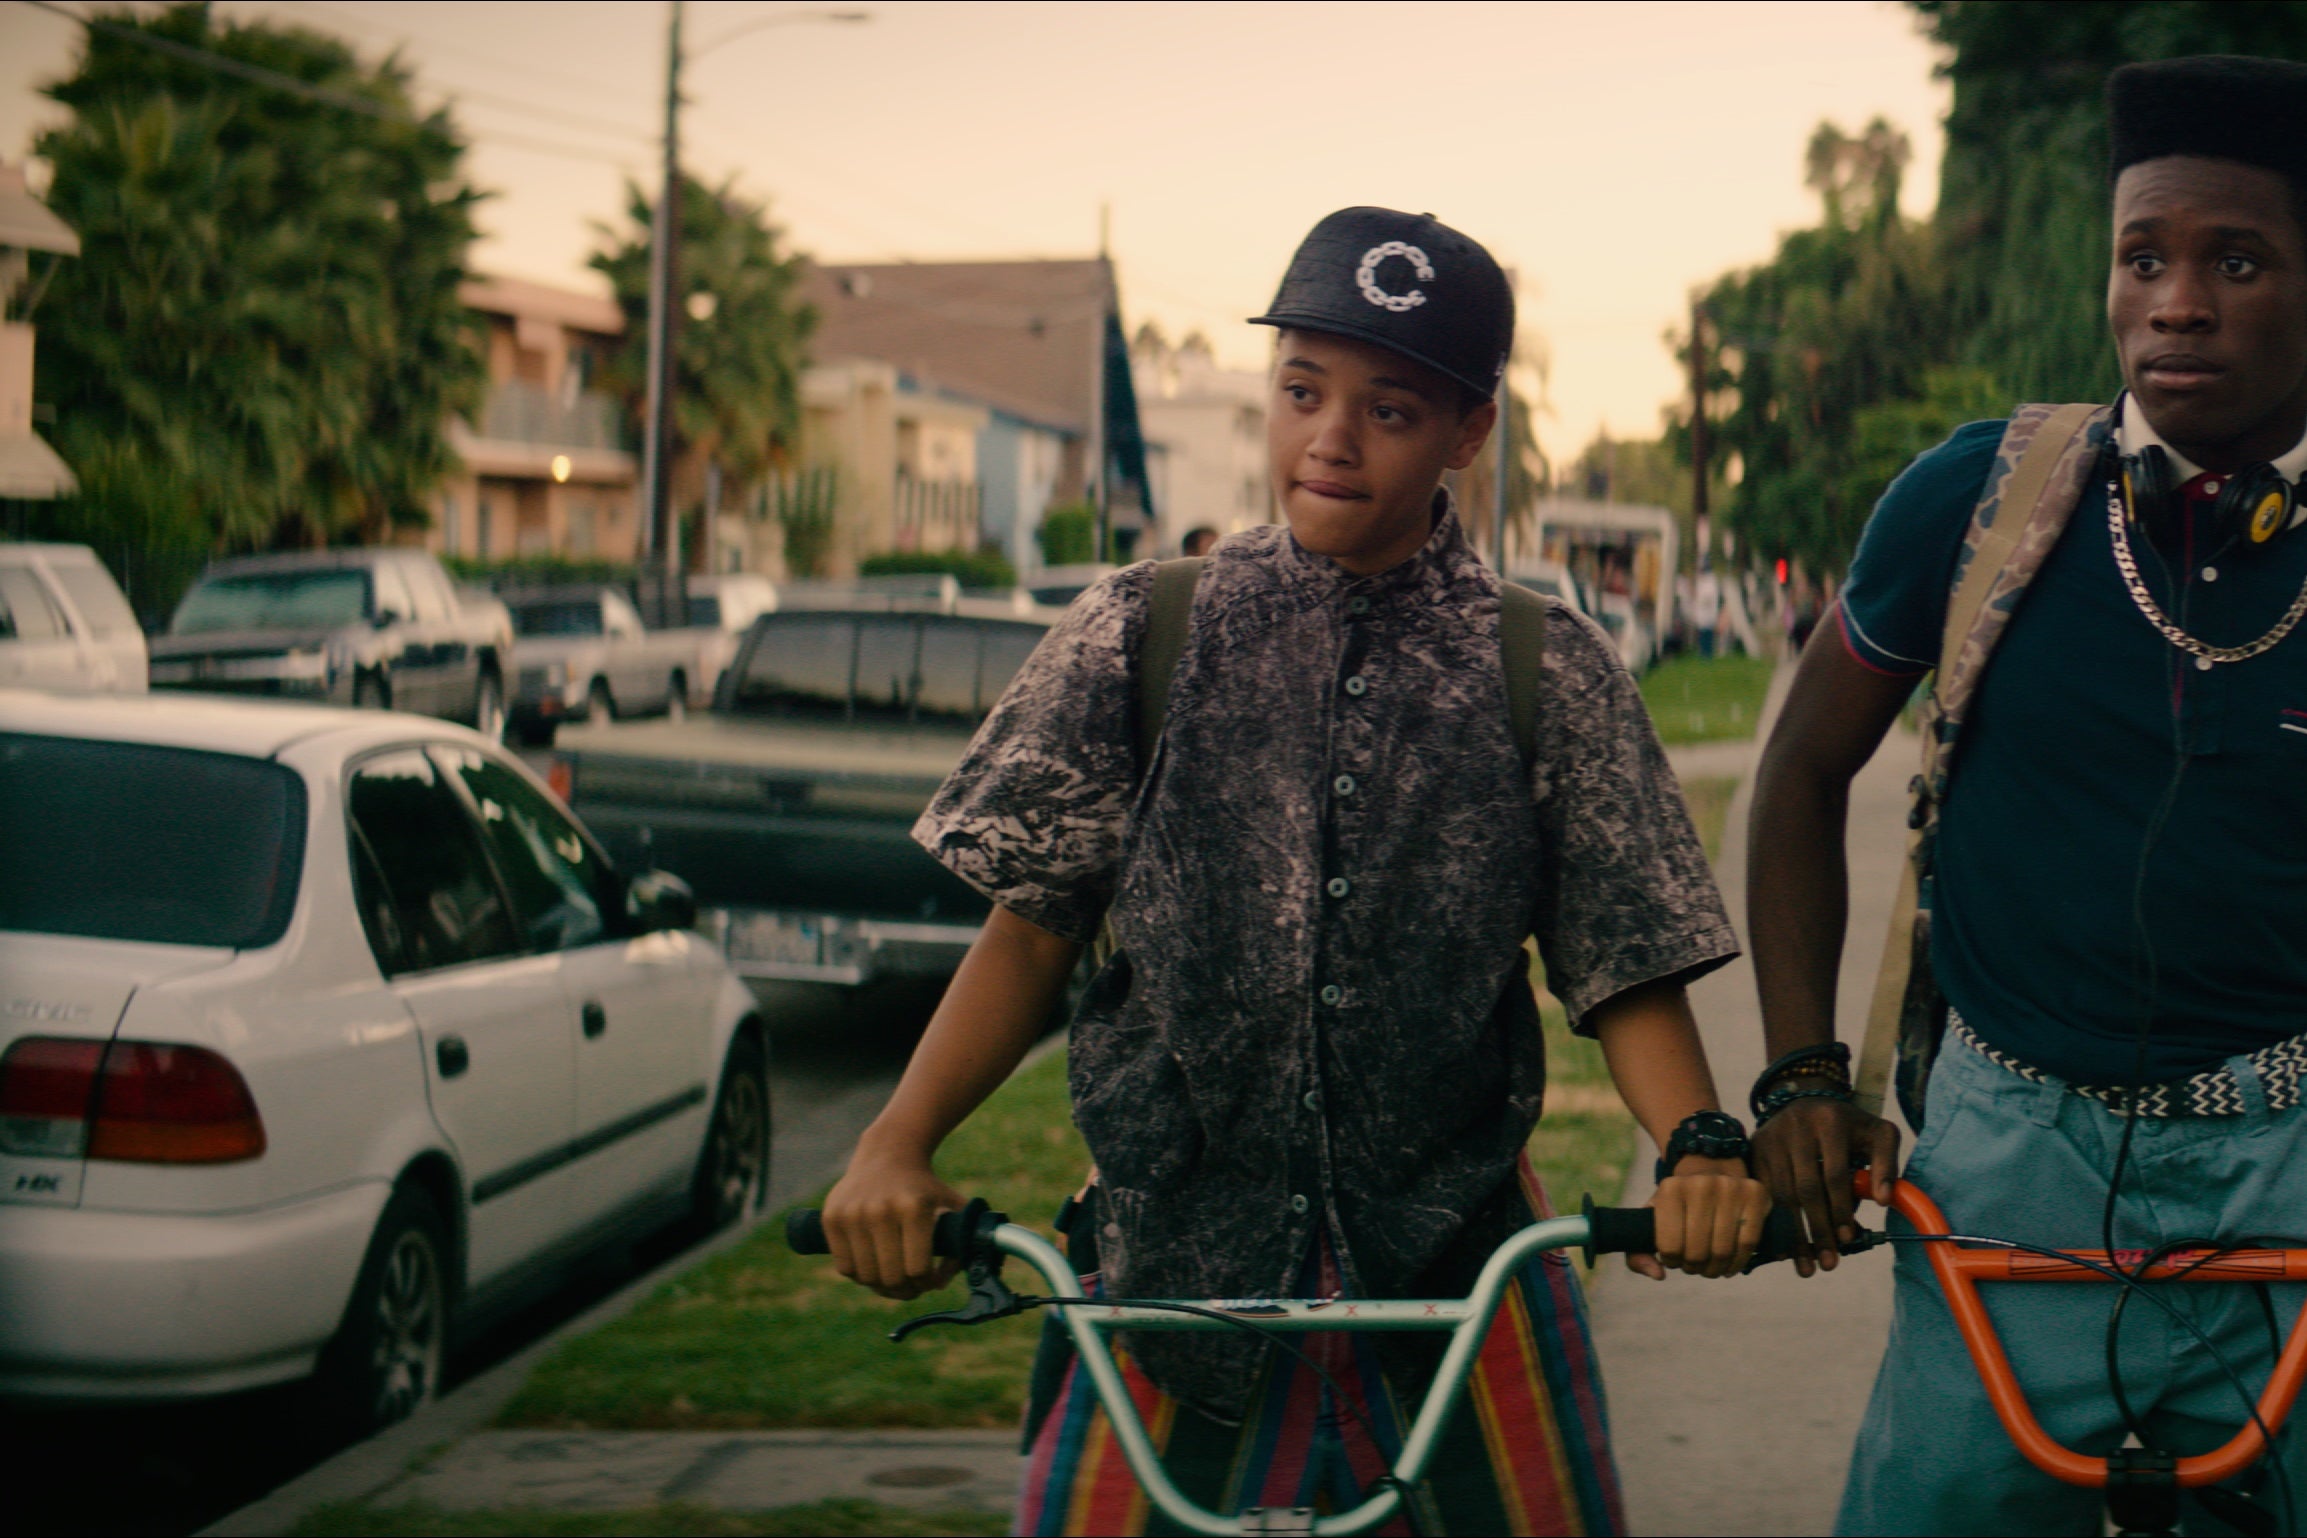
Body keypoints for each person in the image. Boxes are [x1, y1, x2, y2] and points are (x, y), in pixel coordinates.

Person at [820, 207, 1768, 1535]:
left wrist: (1698, 1149)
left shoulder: (1546, 670)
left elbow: (1624, 969)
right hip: (1169, 1272)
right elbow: (1030, 933)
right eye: (1303, 391)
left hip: (1456, 1271)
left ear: (1468, 430)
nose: (1331, 436)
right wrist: (896, 1140)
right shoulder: (1137, 635)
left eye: (1389, 407)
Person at [1745, 56, 2307, 1535]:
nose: (2175, 302)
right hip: (2011, 1156)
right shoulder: (1975, 501)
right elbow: (1801, 771)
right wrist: (1805, 1072)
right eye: (2143, 257)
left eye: (2234, 260)